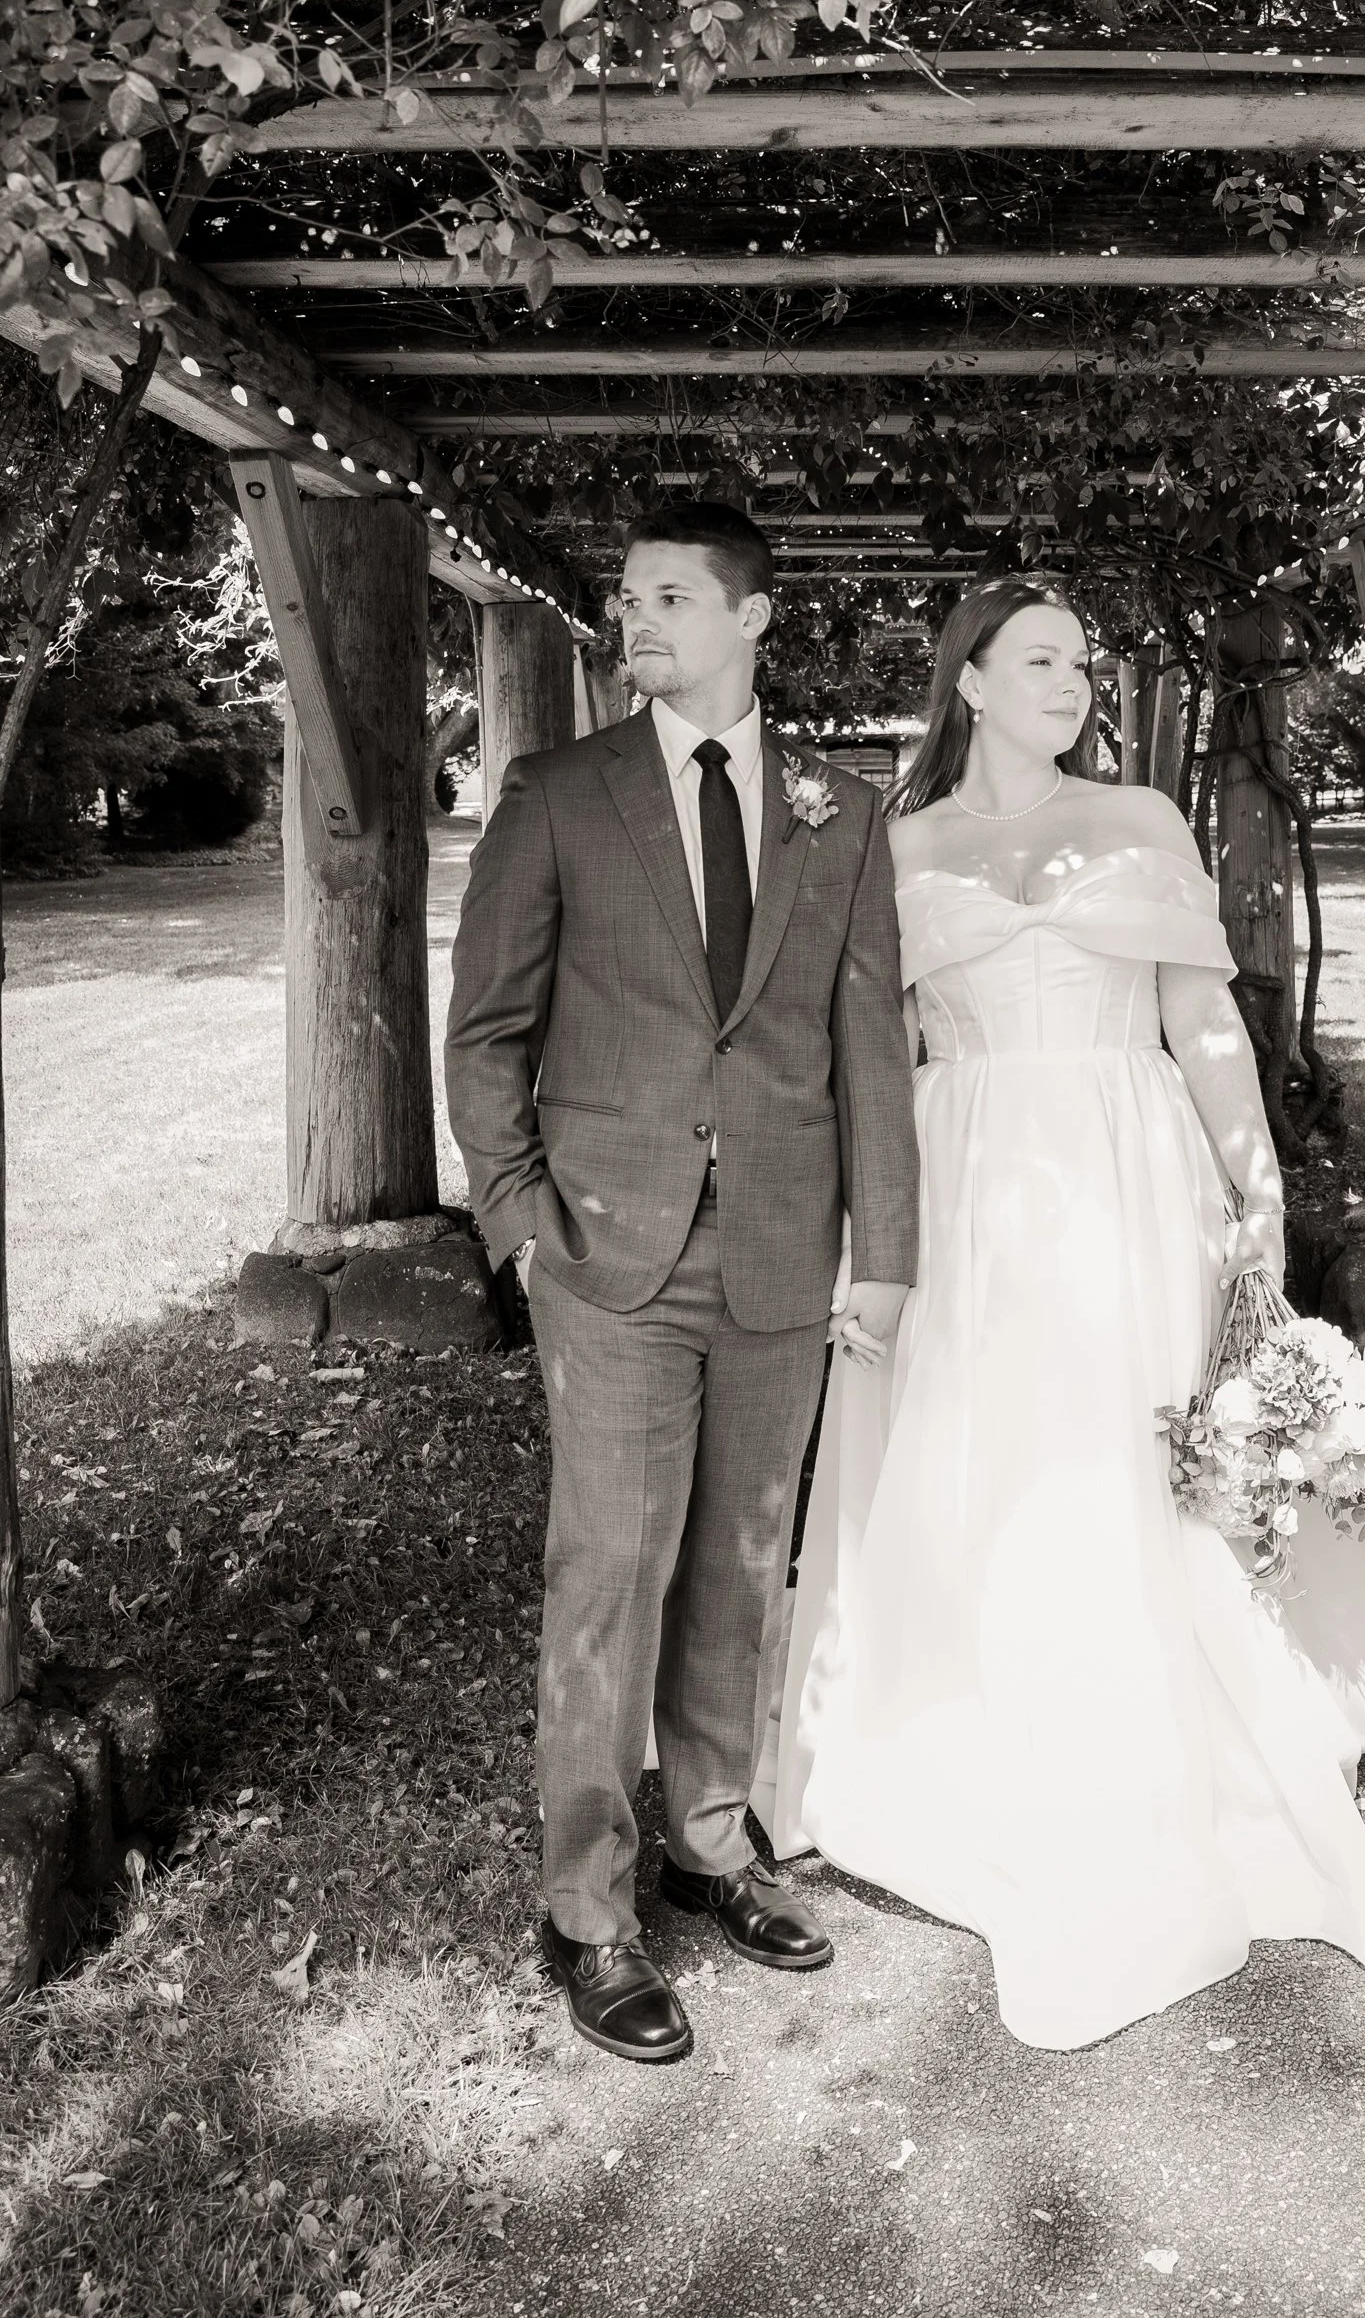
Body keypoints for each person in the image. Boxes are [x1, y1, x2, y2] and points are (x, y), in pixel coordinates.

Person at [758, 575, 1365, 2052]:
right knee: (988, 1443)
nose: (1072, 682)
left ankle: (1185, 1717)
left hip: (1130, 1165)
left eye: (1082, 662)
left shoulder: (1147, 823)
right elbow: (877, 1057)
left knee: (1134, 1433)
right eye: (1039, 661)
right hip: (970, 1183)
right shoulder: (895, 851)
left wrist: (1258, 1191)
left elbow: (1200, 1021)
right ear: (967, 682)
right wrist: (864, 1233)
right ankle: (976, 1712)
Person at [445, 502, 918, 2064]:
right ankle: (585, 1910)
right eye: (624, 599)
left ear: (751, 616)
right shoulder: (560, 794)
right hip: (609, 1248)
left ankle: (712, 1843)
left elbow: (869, 1057)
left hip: (785, 1245)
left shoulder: (841, 810)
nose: (633, 620)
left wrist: (887, 1256)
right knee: (612, 1571)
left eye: (665, 597)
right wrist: (519, 1228)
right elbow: (487, 1031)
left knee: (742, 1561)